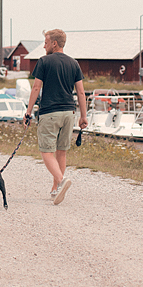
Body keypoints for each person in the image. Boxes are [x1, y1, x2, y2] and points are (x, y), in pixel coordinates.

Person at [25, 29, 88, 205]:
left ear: (54, 43)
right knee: (61, 151)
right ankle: (55, 190)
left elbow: (36, 88)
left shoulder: (44, 61)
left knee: (46, 151)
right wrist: (83, 116)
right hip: (69, 113)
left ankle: (60, 181)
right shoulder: (73, 63)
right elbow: (81, 92)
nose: (44, 46)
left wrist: (28, 112)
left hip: (50, 112)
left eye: (46, 42)